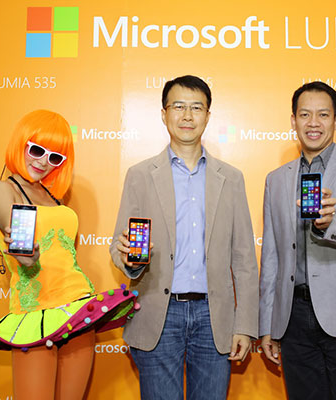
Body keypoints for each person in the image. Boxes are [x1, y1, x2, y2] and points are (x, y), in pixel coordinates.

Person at [109, 75, 259, 400]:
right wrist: (129, 259)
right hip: (158, 314)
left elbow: (245, 260)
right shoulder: (140, 175)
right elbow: (120, 247)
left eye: (196, 108)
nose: (187, 116)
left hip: (213, 316)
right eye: (178, 107)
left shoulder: (231, 178)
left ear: (208, 115)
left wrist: (245, 325)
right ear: (164, 114)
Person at [0, 110, 137, 400]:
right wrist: (26, 255)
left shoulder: (54, 197)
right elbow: (15, 235)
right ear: (21, 144)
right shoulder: (3, 190)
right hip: (35, 315)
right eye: (37, 150)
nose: (43, 162)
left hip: (77, 312)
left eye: (54, 157)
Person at [259, 81, 336, 399]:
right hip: (292, 318)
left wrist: (331, 223)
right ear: (293, 120)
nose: (313, 123)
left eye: (323, 115)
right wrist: (267, 325)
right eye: (305, 114)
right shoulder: (276, 179)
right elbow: (271, 256)